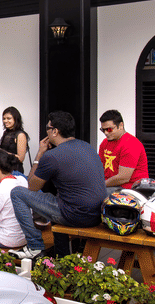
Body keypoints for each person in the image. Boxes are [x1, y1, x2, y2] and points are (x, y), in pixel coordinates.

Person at [9, 111, 107, 259]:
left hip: (76, 215)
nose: (46, 132)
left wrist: (40, 153)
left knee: (17, 192)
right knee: (58, 197)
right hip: (97, 214)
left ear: (55, 131)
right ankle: (61, 256)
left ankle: (34, 246)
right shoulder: (87, 146)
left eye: (48, 129)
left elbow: (31, 187)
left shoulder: (52, 156)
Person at [98, 109, 149, 191]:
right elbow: (99, 167)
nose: (106, 133)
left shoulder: (131, 144)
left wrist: (99, 185)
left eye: (109, 129)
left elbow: (123, 178)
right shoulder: (105, 143)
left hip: (130, 188)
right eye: (103, 130)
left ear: (121, 126)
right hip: (111, 185)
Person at [0, 106, 30, 174]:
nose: (5, 121)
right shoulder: (6, 132)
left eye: (9, 118)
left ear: (16, 119)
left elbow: (20, 158)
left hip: (15, 170)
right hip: (4, 169)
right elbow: (0, 150)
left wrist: (1, 151)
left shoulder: (20, 135)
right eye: (4, 118)